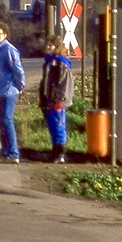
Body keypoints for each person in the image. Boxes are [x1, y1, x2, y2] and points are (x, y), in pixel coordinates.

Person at [0, 22, 25, 164]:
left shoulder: (9, 49)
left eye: (0, 34)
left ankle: (13, 154)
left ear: (5, 35)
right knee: (2, 122)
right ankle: (5, 153)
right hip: (1, 90)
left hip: (9, 91)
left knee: (7, 121)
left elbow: (18, 70)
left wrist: (20, 86)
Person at [39, 34, 74, 163]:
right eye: (47, 45)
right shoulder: (49, 62)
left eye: (51, 45)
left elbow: (65, 84)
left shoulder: (61, 64)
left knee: (59, 126)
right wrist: (42, 98)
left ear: (56, 47)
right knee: (52, 126)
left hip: (57, 101)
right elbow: (45, 83)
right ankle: (54, 151)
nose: (48, 47)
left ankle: (60, 154)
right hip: (48, 101)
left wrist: (61, 101)